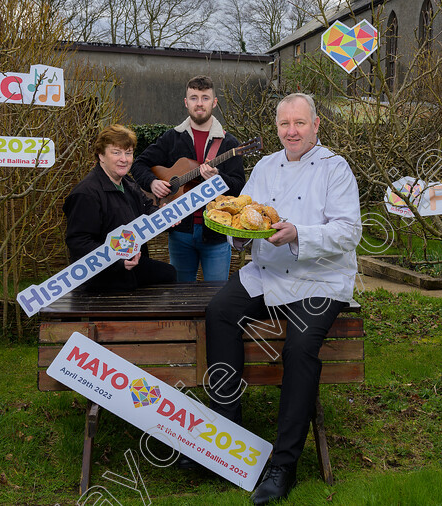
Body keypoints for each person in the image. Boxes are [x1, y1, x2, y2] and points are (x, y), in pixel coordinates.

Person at [204, 93, 362, 505]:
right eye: (284, 124)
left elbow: (349, 232)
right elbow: (245, 215)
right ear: (276, 128)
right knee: (219, 312)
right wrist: (236, 234)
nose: (291, 131)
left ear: (316, 125)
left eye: (300, 123)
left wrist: (300, 234)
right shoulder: (266, 167)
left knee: (300, 348)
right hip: (268, 271)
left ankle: (283, 463)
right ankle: (225, 438)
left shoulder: (336, 169)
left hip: (320, 280)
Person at [131, 75, 245, 282]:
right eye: (193, 98)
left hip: (217, 234)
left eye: (205, 98)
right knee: (180, 295)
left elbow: (238, 187)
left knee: (216, 294)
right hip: (180, 232)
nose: (199, 103)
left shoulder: (229, 143)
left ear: (214, 102)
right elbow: (139, 164)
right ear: (186, 102)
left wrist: (219, 177)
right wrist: (152, 182)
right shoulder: (171, 138)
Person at [64, 124, 176, 293]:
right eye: (116, 152)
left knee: (169, 274)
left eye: (128, 153)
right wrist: (117, 261)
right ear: (101, 155)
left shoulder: (128, 184)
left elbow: (147, 210)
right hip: (101, 277)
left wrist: (164, 216)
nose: (124, 159)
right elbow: (79, 242)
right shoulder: (86, 193)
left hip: (131, 266)